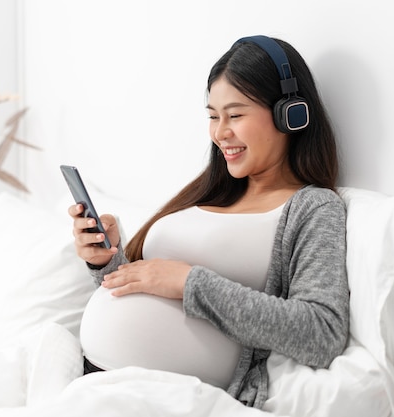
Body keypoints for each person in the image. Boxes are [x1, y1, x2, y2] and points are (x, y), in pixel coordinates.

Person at [68, 35, 350, 409]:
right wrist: (106, 262)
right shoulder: (208, 192)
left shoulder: (313, 208)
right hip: (98, 381)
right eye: (213, 116)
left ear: (290, 113)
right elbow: (145, 287)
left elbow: (321, 333)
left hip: (159, 399)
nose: (220, 133)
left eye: (235, 115)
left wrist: (188, 282)